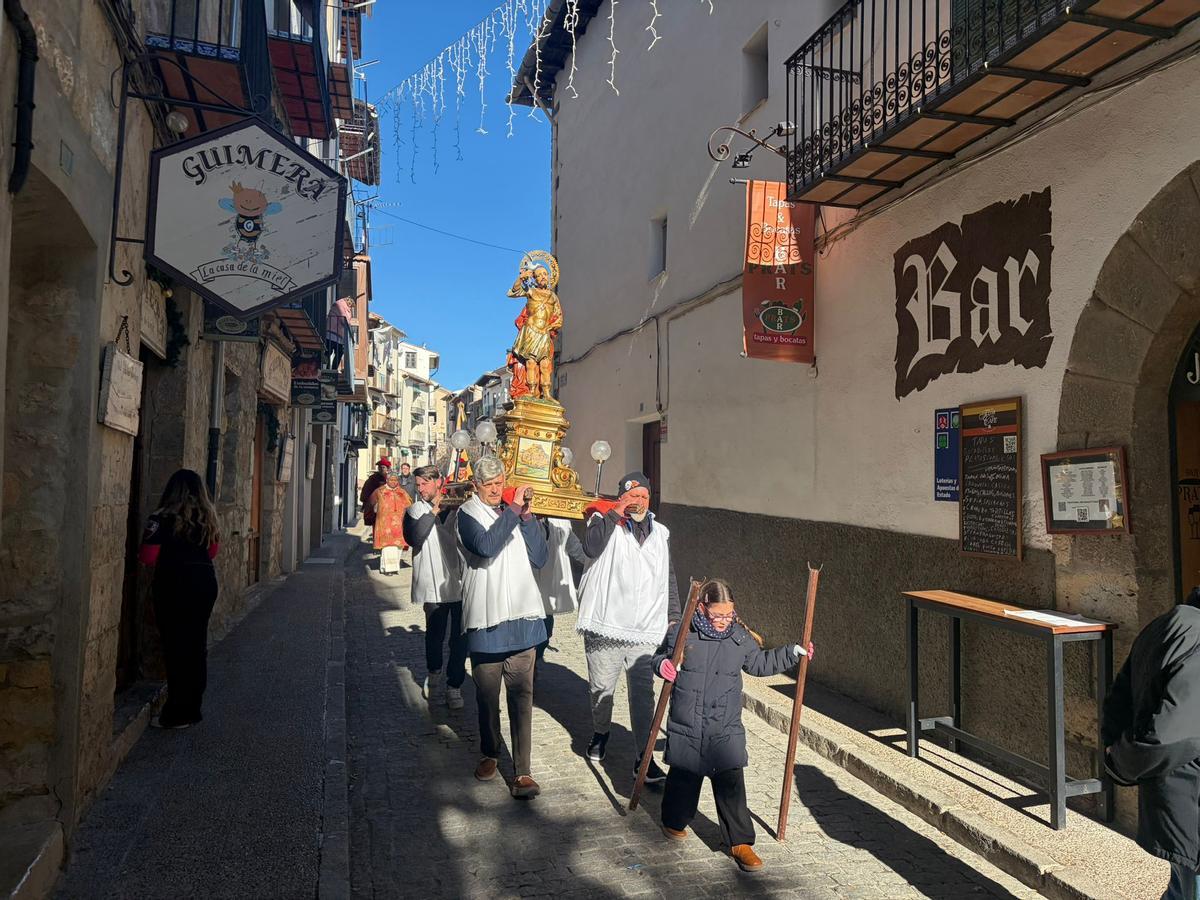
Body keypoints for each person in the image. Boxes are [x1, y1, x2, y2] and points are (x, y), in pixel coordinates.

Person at [653, 579, 812, 873]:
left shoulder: (739, 637)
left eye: (729, 614)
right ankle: (673, 821)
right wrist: (662, 664)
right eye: (718, 615)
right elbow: (660, 657)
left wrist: (792, 653)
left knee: (731, 783)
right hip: (688, 720)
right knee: (683, 778)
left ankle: (740, 842)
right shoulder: (682, 632)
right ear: (702, 607)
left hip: (724, 725)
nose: (724, 621)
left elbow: (759, 664)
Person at [576, 471, 680, 784]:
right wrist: (615, 512)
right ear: (622, 497)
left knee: (642, 695)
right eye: (632, 496)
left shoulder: (661, 533)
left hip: (645, 627)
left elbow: (668, 577)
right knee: (601, 689)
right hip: (606, 625)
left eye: (644, 497)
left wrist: (672, 615)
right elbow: (591, 549)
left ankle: (643, 759)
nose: (638, 502)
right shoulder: (602, 520)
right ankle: (601, 731)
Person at [457, 457, 548, 799]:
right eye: (489, 484)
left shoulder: (516, 514)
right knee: (486, 697)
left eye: (500, 482)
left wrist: (526, 518)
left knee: (522, 698)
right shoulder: (467, 516)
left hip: (523, 620)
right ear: (477, 486)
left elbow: (539, 557)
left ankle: (523, 772)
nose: (496, 489)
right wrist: (513, 510)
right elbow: (485, 546)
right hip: (487, 621)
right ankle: (490, 751)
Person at [1103, 588, 1200, 900]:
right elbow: (1172, 738)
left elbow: (1118, 698)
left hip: (1176, 800)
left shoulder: (1162, 625)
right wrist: (1123, 762)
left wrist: (1114, 756)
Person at [137, 469, 221, 729]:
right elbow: (213, 551)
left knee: (175, 648)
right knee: (196, 646)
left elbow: (148, 557)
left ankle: (176, 714)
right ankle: (192, 708)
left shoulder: (159, 519)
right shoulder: (208, 518)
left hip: (174, 584)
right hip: (204, 583)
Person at [404, 465, 466, 710]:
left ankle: (454, 686)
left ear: (438, 482)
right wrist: (434, 509)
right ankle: (434, 674)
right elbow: (414, 538)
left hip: (460, 582)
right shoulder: (415, 510)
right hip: (433, 584)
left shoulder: (459, 509)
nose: (420, 489)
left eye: (425, 484)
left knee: (460, 639)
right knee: (435, 635)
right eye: (418, 484)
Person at [370, 471, 411, 575]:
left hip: (399, 524)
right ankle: (388, 569)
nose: (393, 482)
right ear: (387, 480)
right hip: (385, 525)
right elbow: (372, 504)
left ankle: (392, 567)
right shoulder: (380, 491)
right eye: (391, 480)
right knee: (388, 547)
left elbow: (409, 504)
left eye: (395, 480)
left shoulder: (402, 492)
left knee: (398, 547)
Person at [361, 457, 391, 533]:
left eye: (383, 467)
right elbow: (366, 491)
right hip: (376, 506)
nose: (381, 469)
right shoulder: (373, 479)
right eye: (379, 467)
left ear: (387, 469)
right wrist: (366, 503)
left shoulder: (391, 479)